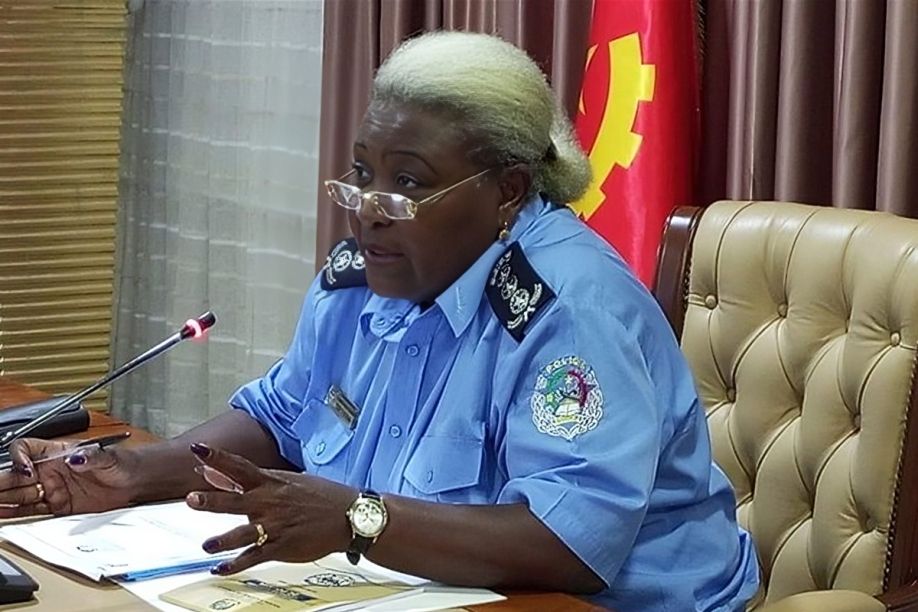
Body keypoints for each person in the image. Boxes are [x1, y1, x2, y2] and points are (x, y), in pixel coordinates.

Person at [0, 31, 758, 611]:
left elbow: (571, 545)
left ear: (507, 189)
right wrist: (140, 472)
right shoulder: (366, 272)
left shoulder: (569, 310)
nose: (369, 211)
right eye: (362, 174)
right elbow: (282, 417)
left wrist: (359, 519)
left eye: (408, 184)